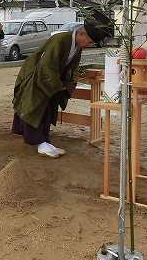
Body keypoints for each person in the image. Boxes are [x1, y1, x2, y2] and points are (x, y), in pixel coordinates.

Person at [12, 21, 104, 158]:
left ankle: (44, 140)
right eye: (89, 41)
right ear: (81, 33)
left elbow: (73, 69)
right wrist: (58, 85)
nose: (89, 45)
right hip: (38, 76)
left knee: (49, 108)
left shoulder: (77, 46)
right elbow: (46, 65)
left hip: (53, 79)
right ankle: (38, 142)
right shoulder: (61, 39)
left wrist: (68, 85)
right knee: (35, 107)